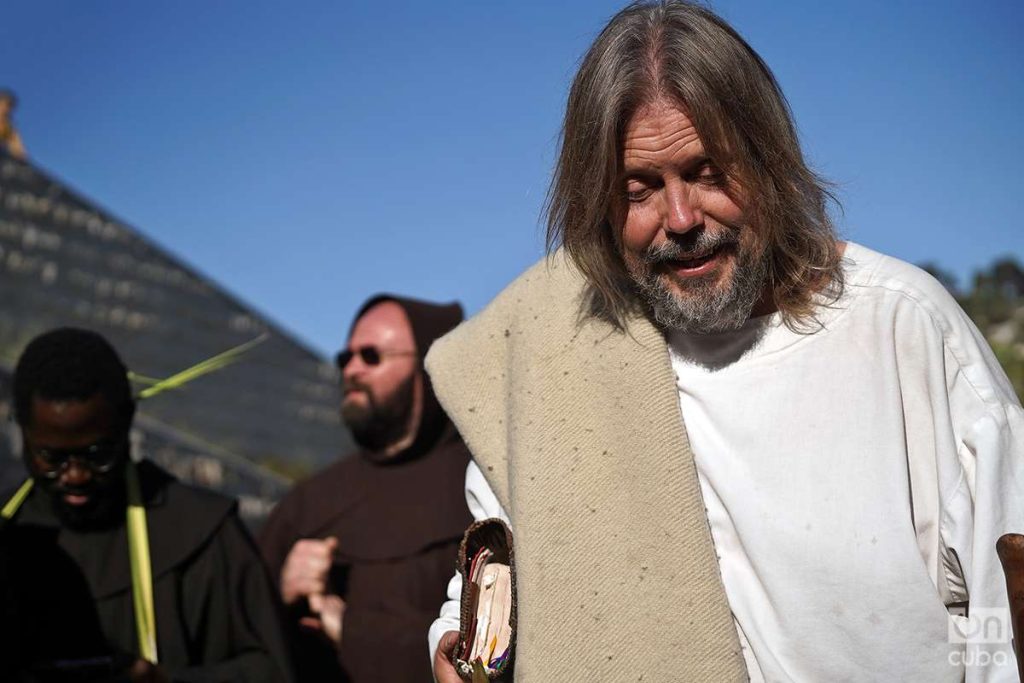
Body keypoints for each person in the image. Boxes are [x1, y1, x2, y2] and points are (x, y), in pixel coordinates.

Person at [426, 2, 1024, 682]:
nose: (680, 219)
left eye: (707, 172)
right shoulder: (565, 363)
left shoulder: (903, 330)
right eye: (640, 189)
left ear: (768, 162)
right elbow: (496, 564)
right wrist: (457, 641)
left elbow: (1004, 616)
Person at [0, 327, 293, 682]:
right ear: (22, 431)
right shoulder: (7, 532)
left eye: (97, 454)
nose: (76, 475)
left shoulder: (202, 534)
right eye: (52, 457)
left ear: (127, 422)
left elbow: (272, 671)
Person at [259, 295, 473, 682]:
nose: (352, 369)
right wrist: (279, 591)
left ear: (426, 365)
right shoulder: (309, 503)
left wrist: (357, 633)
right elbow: (240, 642)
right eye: (346, 358)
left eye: (371, 356)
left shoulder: (479, 484)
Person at [0, 89, 27, 160]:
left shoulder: (9, 127)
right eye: (5, 105)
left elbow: (19, 151)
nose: (7, 110)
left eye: (10, 107)